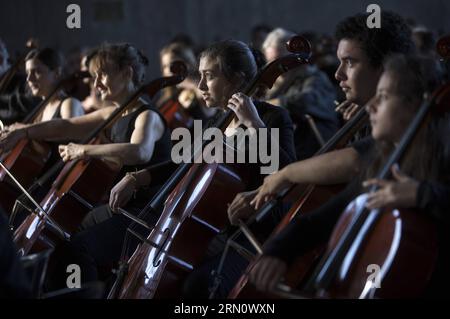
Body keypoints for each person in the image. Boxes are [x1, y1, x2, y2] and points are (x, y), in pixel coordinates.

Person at [248, 54, 450, 298]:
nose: (370, 106)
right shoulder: (385, 160)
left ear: (415, 105)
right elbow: (323, 219)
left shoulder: (441, 164)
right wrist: (277, 252)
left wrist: (421, 195)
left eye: (384, 97)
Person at [229, 11, 416, 226]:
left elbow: (359, 160)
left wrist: (285, 174)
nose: (338, 75)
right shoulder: (364, 116)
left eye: (350, 62)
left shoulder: (301, 91)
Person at [262, 27, 340, 160]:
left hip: (313, 155)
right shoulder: (271, 86)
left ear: (293, 57)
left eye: (278, 60)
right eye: (270, 62)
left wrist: (265, 105)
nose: (275, 68)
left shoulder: (315, 78)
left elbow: (304, 102)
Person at [156, 42, 214, 127]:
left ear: (187, 63)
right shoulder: (166, 98)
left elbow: (210, 111)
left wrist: (190, 83)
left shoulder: (204, 88)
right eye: (165, 66)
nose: (168, 70)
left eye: (173, 64)